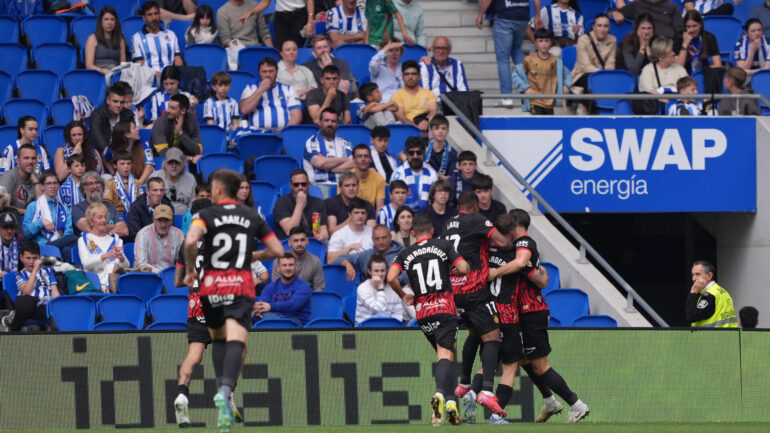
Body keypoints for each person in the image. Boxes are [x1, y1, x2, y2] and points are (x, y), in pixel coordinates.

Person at [182, 168, 282, 432]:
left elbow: (190, 242)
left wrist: (191, 269)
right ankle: (225, 391)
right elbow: (278, 250)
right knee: (237, 342)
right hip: (237, 289)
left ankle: (222, 392)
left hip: (210, 292)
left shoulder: (205, 215)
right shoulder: (250, 216)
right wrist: (254, 257)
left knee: (216, 341)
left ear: (217, 190)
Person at [486, 208, 590, 423]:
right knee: (524, 359)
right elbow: (541, 279)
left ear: (514, 225)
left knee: (540, 365)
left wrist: (494, 273)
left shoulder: (523, 245)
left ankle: (577, 405)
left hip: (532, 311)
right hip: (521, 313)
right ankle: (550, 401)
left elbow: (524, 265)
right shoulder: (514, 249)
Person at [386, 213, 469, 426]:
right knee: (445, 354)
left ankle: (448, 406)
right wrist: (455, 267)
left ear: (413, 233)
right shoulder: (443, 245)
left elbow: (390, 277)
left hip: (423, 313)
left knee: (445, 358)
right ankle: (441, 394)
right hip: (444, 307)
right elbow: (463, 268)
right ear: (432, 231)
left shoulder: (406, 253)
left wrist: (403, 295)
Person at [172, 197, 244, 428]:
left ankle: (182, 395)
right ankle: (228, 392)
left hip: (197, 306)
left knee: (194, 354)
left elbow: (177, 281)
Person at [443, 192, 511, 418]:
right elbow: (502, 241)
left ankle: (463, 383)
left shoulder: (447, 225)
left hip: (455, 290)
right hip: (474, 288)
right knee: (493, 338)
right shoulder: (477, 219)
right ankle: (487, 390)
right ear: (474, 206)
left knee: (474, 333)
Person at [476, 0, 531, 108]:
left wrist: (480, 14)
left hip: (505, 16)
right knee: (516, 50)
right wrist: (537, 14)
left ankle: (507, 98)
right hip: (523, 15)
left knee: (503, 59)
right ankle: (528, 91)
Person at [0, 241, 58, 332]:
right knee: (26, 301)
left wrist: (57, 304)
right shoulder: (19, 274)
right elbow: (27, 291)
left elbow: (55, 292)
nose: (31, 262)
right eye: (28, 258)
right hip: (29, 304)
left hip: (45, 306)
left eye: (34, 258)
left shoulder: (48, 271)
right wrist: (35, 270)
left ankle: (14, 317)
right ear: (21, 258)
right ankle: (13, 329)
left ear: (39, 258)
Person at [514, 29, 572, 115]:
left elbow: (567, 74)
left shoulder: (556, 61)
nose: (544, 44)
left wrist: (566, 85)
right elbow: (515, 74)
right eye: (540, 41)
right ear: (536, 43)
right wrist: (525, 88)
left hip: (549, 101)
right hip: (534, 101)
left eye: (546, 41)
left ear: (550, 43)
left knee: (549, 127)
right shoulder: (529, 60)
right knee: (538, 126)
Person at [78, 202, 131, 292]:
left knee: (112, 266)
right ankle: (107, 292)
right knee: (111, 266)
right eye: (99, 217)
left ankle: (107, 293)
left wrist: (122, 258)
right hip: (94, 281)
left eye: (105, 217)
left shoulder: (115, 239)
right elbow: (86, 264)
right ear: (91, 221)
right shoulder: (84, 239)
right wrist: (106, 256)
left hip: (115, 281)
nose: (103, 220)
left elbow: (127, 266)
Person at [240, 57, 302, 132]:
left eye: (271, 71)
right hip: (257, 133)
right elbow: (244, 110)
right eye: (264, 72)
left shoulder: (288, 89)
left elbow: (297, 115)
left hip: (283, 131)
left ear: (277, 72)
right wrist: (260, 90)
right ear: (259, 72)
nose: (268, 75)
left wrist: (285, 130)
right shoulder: (250, 88)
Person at [571, 14, 617, 114]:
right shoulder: (583, 39)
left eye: (606, 26)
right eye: (599, 25)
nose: (603, 29)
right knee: (590, 80)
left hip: (604, 76)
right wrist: (602, 75)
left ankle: (586, 107)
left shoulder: (612, 39)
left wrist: (606, 75)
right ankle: (593, 113)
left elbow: (611, 64)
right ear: (593, 26)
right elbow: (585, 66)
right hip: (582, 75)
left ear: (609, 27)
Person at [255, 253, 312, 326]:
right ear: (278, 268)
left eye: (291, 265)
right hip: (272, 320)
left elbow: (293, 305)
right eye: (284, 265)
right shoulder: (270, 287)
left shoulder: (303, 286)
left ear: (296, 267)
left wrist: (270, 306)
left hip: (296, 324)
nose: (288, 268)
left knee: (267, 319)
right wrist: (258, 308)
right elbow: (262, 306)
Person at [272, 169, 329, 240]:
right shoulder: (282, 202)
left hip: (312, 242)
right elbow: (289, 231)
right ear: (291, 186)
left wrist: (321, 236)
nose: (300, 188)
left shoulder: (319, 202)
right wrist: (299, 204)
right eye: (296, 185)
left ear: (309, 184)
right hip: (289, 244)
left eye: (303, 184)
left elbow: (324, 230)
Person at [302, 108, 354, 185]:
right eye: (326, 120)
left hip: (342, 187)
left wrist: (329, 168)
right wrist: (344, 159)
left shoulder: (346, 142)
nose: (330, 124)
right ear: (320, 122)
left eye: (333, 121)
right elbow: (319, 163)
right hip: (319, 186)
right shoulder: (311, 141)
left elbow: (354, 162)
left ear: (337, 124)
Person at [72, 171, 129, 238]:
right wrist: (114, 226)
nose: (95, 186)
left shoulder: (110, 206)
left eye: (97, 183)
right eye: (90, 184)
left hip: (112, 245)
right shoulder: (78, 208)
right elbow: (90, 230)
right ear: (83, 189)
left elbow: (124, 230)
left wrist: (105, 235)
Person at [22, 171, 72, 246]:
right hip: (40, 246)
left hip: (60, 245)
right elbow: (26, 232)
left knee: (71, 243)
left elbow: (68, 233)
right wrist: (41, 222)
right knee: (74, 239)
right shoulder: (33, 206)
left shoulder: (65, 209)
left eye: (55, 183)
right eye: (48, 183)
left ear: (58, 185)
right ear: (41, 186)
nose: (52, 186)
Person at [132, 1, 184, 73]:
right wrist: (159, 75)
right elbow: (139, 64)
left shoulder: (171, 35)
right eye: (150, 15)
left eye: (156, 13)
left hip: (170, 77)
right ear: (144, 18)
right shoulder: (137, 38)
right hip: (149, 77)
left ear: (160, 15)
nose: (154, 18)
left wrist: (176, 75)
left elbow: (178, 60)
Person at [338, 224, 403, 280]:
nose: (381, 242)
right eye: (377, 239)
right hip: (371, 291)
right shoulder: (367, 255)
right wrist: (348, 265)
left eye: (384, 238)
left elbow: (405, 277)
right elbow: (340, 258)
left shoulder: (402, 253)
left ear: (390, 237)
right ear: (373, 240)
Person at [151, 94, 203, 163]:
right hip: (163, 163)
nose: (168, 110)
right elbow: (163, 152)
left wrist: (181, 133)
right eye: (168, 107)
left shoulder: (192, 122)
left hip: (186, 165)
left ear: (183, 111)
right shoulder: (160, 123)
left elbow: (197, 151)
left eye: (172, 108)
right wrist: (188, 158)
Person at [270, 227, 325, 291]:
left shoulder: (315, 261)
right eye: (296, 241)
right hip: (284, 298)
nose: (299, 244)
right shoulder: (279, 260)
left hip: (307, 297)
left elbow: (319, 287)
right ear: (289, 243)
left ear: (307, 241)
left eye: (302, 240)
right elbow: (276, 286)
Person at [686, 260, 738, 327]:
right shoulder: (721, 291)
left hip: (712, 336)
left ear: (709, 275)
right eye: (692, 275)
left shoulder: (709, 295)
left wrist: (693, 293)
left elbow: (691, 316)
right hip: (727, 335)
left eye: (697, 274)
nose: (693, 278)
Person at [391, 137, 438, 212]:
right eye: (411, 153)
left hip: (426, 217)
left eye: (419, 153)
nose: (415, 156)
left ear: (424, 153)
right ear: (406, 154)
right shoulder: (398, 175)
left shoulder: (432, 174)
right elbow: (394, 203)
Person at [355, 253, 403, 324]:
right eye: (376, 271)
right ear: (369, 271)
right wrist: (380, 287)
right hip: (365, 329)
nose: (380, 274)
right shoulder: (362, 288)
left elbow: (398, 315)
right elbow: (379, 309)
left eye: (382, 270)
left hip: (388, 328)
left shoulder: (394, 288)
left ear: (386, 270)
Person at [134, 204, 183, 273]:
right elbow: (141, 264)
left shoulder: (178, 234)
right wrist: (161, 273)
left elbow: (182, 261)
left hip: (171, 276)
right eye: (159, 220)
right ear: (153, 220)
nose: (163, 225)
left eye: (166, 220)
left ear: (171, 221)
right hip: (149, 276)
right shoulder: (143, 234)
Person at [674, 10, 721, 81]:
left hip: (703, 75)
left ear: (700, 25)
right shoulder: (679, 38)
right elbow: (679, 66)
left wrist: (704, 72)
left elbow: (718, 64)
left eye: (694, 26)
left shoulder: (709, 37)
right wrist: (685, 43)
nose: (692, 30)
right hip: (684, 77)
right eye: (688, 27)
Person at [392, 60, 437, 134]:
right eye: (407, 74)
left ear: (419, 76)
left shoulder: (429, 93)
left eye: (413, 74)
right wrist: (415, 128)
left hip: (427, 128)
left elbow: (433, 111)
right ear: (402, 77)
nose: (410, 77)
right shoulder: (397, 95)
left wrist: (426, 121)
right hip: (407, 130)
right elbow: (401, 117)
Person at [105, 121, 154, 187]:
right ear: (127, 134)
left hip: (141, 179)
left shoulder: (143, 143)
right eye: (134, 128)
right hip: (122, 180)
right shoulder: (112, 149)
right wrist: (113, 173)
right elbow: (105, 159)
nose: (138, 129)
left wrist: (137, 185)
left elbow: (150, 166)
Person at [327, 198, 375, 264]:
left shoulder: (373, 233)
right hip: (345, 273)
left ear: (367, 215)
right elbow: (330, 260)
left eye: (363, 213)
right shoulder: (339, 234)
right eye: (356, 213)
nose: (360, 216)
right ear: (349, 215)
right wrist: (349, 248)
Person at [90, 85, 135, 154]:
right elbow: (96, 135)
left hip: (122, 153)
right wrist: (105, 150)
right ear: (108, 100)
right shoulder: (98, 114)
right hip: (101, 152)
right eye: (115, 101)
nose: (119, 105)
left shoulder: (128, 115)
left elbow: (133, 134)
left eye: (122, 102)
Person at [151, 148, 197, 215]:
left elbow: (193, 203)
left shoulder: (191, 178)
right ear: (165, 163)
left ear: (183, 164)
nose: (174, 166)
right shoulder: (155, 177)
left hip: (184, 218)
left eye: (177, 163)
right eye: (170, 162)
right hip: (160, 218)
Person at [127, 177, 173, 241]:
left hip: (164, 243)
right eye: (155, 190)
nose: (159, 193)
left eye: (161, 190)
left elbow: (171, 229)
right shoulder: (136, 207)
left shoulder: (168, 205)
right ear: (147, 191)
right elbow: (135, 234)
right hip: (143, 243)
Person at [84, 6, 127, 75]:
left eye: (112, 19)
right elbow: (89, 66)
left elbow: (123, 64)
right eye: (106, 19)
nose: (109, 23)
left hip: (115, 74)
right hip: (98, 74)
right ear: (101, 21)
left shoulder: (120, 39)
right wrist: (102, 70)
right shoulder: (92, 38)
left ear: (116, 22)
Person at [0, 145, 40, 216]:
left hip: (30, 219)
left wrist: (36, 182)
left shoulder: (37, 177)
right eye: (26, 158)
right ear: (17, 160)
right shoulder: (9, 176)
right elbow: (5, 207)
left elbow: (43, 205)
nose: (30, 161)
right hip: (11, 220)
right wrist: (28, 212)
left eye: (33, 158)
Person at [613, 0, 683, 39]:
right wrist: (616, 13)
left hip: (665, 44)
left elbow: (679, 31)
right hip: (643, 43)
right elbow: (616, 12)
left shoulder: (672, 7)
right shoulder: (638, 4)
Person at [616, 13, 656, 77]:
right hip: (629, 77)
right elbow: (634, 70)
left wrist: (648, 46)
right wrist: (642, 47)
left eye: (649, 28)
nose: (646, 32)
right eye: (643, 28)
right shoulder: (627, 41)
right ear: (637, 29)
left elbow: (658, 67)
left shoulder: (657, 41)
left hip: (651, 76)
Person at [369, 38, 405, 103]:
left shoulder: (404, 68)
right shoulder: (378, 67)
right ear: (385, 53)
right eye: (390, 50)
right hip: (384, 104)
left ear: (401, 53)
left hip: (403, 104)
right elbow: (373, 64)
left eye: (397, 50)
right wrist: (386, 47)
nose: (394, 53)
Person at [351, 144, 386, 211]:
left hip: (370, 218)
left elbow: (380, 208)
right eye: (359, 156)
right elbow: (342, 206)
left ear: (370, 159)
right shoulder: (346, 178)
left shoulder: (378, 178)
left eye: (366, 156)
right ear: (354, 159)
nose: (363, 159)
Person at [423, 115, 456, 180]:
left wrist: (434, 173)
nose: (440, 131)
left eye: (443, 128)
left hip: (441, 186)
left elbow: (453, 179)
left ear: (447, 131)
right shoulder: (423, 145)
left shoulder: (452, 152)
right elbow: (402, 155)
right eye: (436, 128)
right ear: (431, 131)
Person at [0, 209, 20, 280]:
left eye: (11, 227)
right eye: (5, 227)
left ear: (15, 229)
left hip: (16, 282)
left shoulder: (21, 244)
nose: (9, 231)